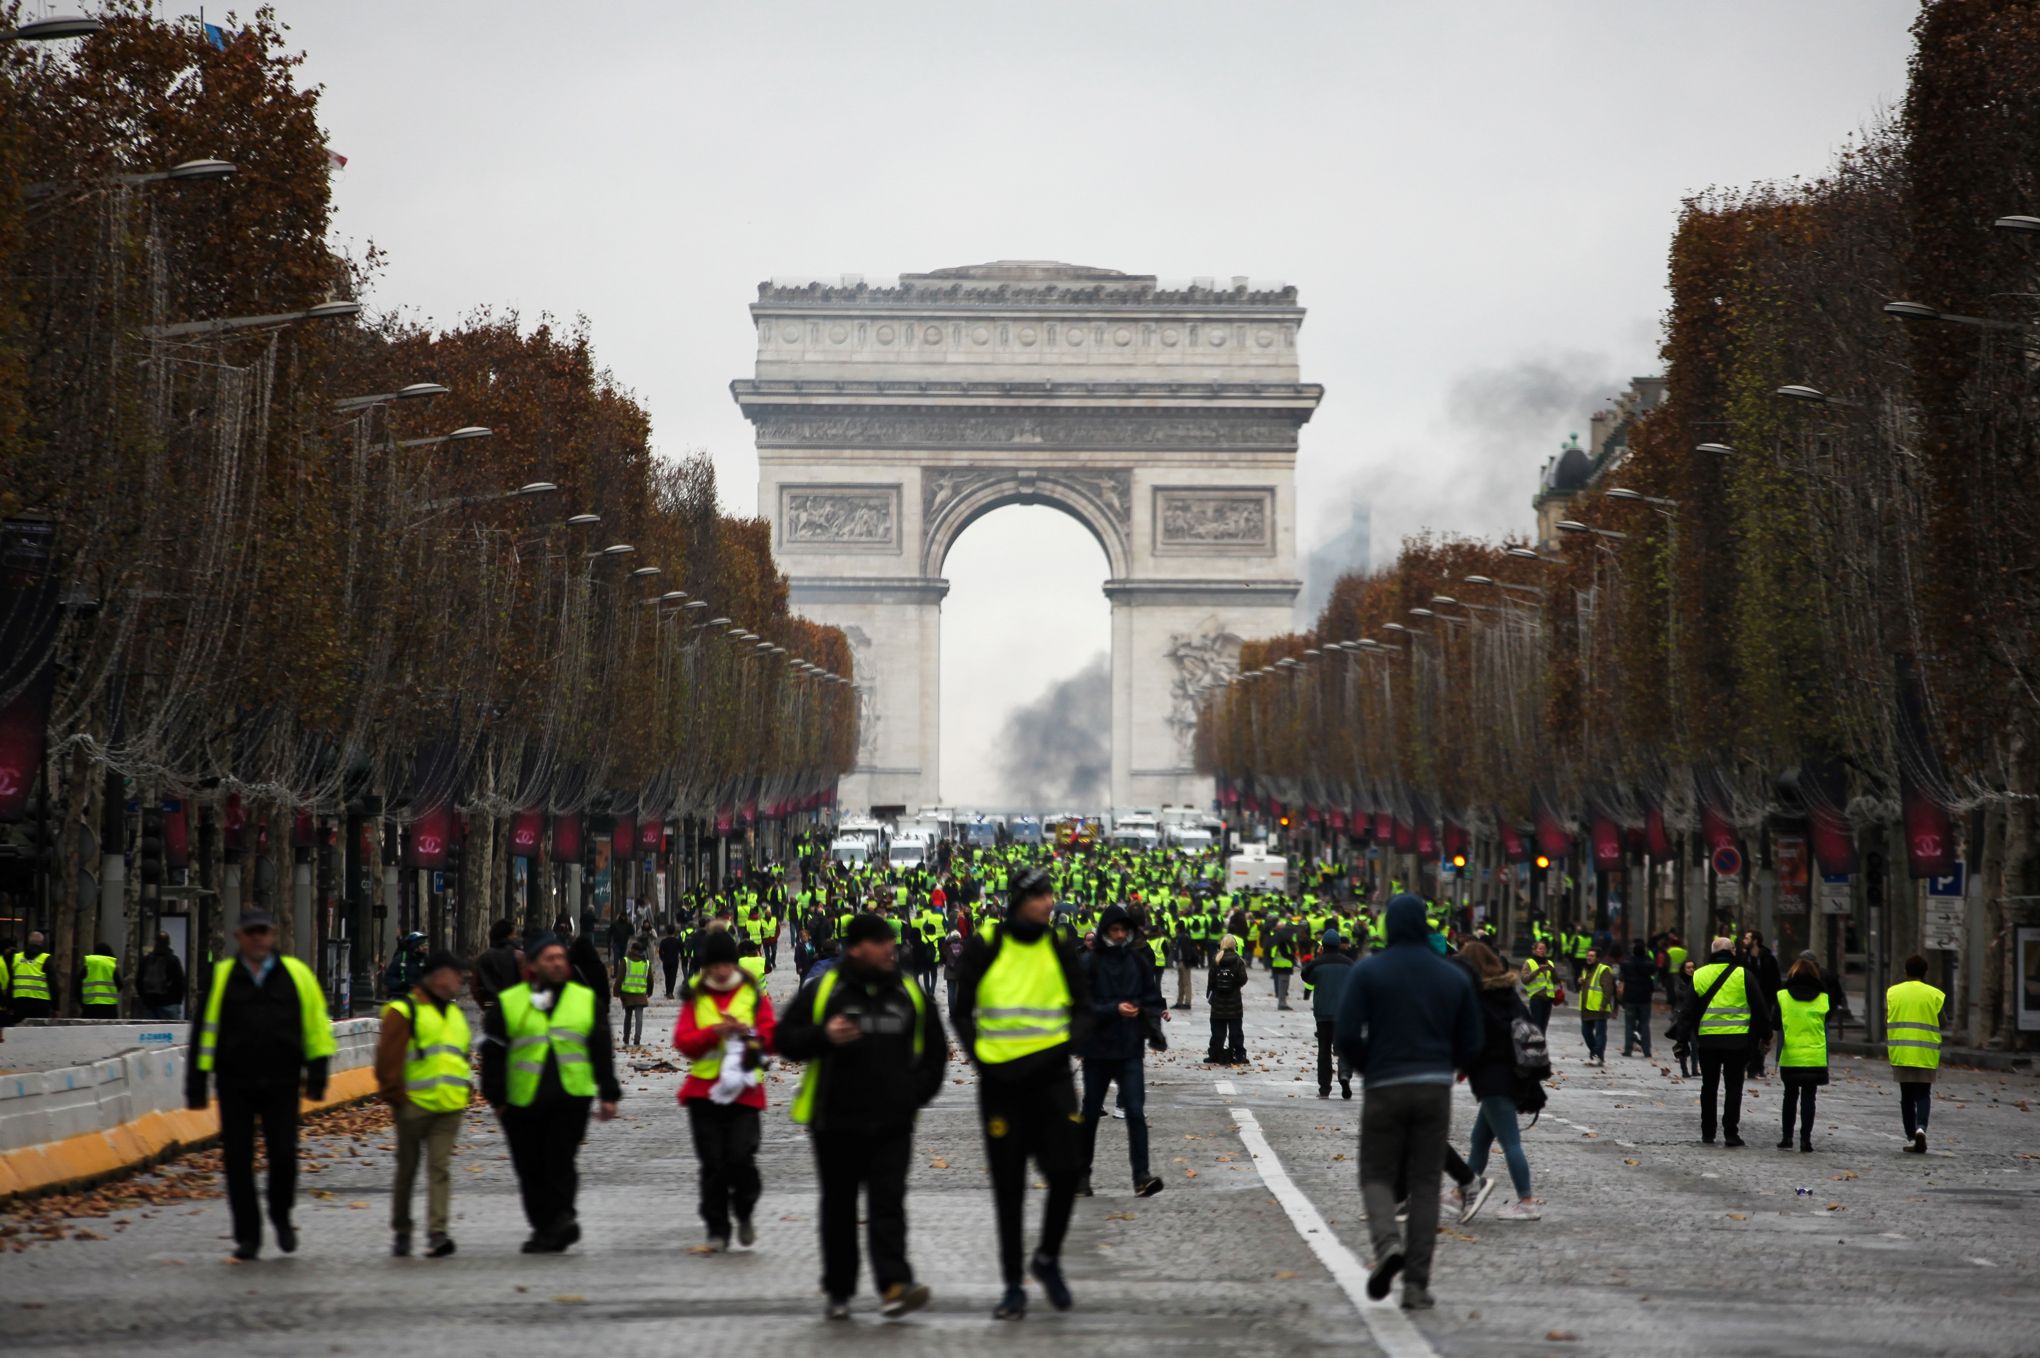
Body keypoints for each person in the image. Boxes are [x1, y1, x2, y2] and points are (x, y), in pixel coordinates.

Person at [778, 912, 946, 1320]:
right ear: (856, 948)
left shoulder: (909, 992)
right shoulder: (824, 990)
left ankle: (894, 1284)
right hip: (834, 1120)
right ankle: (839, 1289)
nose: (891, 947)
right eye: (881, 941)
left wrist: (911, 1096)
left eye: (891, 940)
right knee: (839, 1208)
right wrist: (824, 1037)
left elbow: (936, 1055)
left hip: (892, 1122)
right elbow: (785, 1039)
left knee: (888, 1205)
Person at [953, 866, 1091, 1321]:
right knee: (1008, 1189)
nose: (1049, 902)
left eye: (1050, 893)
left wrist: (1069, 1045)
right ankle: (1012, 1285)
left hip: (1052, 1081)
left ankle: (1047, 1257)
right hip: (1001, 1086)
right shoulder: (985, 946)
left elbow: (1083, 1007)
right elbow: (961, 1011)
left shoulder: (1059, 946)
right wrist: (982, 1059)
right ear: (1018, 900)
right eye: (1039, 895)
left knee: (1068, 1171)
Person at [1335, 893, 1483, 1313]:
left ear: (1387, 928)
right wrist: (1447, 1065)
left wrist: (1369, 1067)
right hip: (1434, 1087)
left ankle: (1387, 1247)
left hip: (1384, 1084)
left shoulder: (1368, 971)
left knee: (1376, 1174)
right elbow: (1472, 1040)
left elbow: (1346, 1034)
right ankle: (1417, 1285)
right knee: (1424, 1186)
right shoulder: (1451, 975)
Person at [184, 911, 334, 1260]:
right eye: (250, 933)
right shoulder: (222, 976)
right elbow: (204, 1033)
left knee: (283, 1155)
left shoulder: (297, 975)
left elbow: (316, 1027)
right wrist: (196, 1085)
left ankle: (280, 1216)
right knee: (237, 1160)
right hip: (234, 1082)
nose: (257, 939)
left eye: (263, 932)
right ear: (238, 936)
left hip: (282, 1081)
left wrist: (317, 1075)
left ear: (273, 935)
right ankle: (247, 1235)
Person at [481, 933, 621, 1253]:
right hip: (521, 1099)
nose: (558, 963)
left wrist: (608, 1093)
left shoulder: (584, 1000)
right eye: (549, 958)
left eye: (561, 958)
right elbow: (494, 1054)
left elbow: (601, 1049)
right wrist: (497, 1097)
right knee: (529, 1167)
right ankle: (545, 1225)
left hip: (570, 1096)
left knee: (560, 1160)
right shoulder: (509, 1002)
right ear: (531, 965)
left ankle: (561, 1217)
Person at [675, 929, 777, 1251]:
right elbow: (684, 1041)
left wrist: (747, 1033)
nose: (720, 971)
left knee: (741, 1159)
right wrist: (713, 1032)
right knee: (713, 1164)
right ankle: (717, 1228)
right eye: (713, 966)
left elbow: (771, 1037)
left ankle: (744, 1211)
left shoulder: (752, 995)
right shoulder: (695, 996)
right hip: (703, 1092)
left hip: (745, 1092)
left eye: (726, 965)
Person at [377, 949, 470, 1258]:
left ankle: (437, 1232)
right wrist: (397, 1099)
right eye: (454, 974)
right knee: (407, 1170)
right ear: (436, 977)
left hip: (449, 1107)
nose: (459, 980)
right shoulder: (404, 1011)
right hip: (413, 1106)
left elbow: (461, 1057)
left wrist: (466, 1089)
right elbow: (387, 1061)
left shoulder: (455, 1015)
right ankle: (402, 1229)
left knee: (439, 1168)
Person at [1075, 904, 1166, 1199]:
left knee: (1136, 1113)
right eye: (1113, 930)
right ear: (1104, 932)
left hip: (1129, 1049)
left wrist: (1154, 1029)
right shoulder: (1089, 962)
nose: (1118, 935)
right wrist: (1113, 1009)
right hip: (1098, 1051)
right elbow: (1080, 1005)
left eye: (1122, 930)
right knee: (1090, 1114)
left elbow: (1151, 998)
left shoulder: (1137, 963)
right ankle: (1081, 1175)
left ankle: (1141, 1176)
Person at [1457, 941, 1540, 1220]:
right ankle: (1461, 1192)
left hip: (1494, 1078)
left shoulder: (1479, 998)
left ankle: (1526, 1202)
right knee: (1479, 1139)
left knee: (1510, 1141)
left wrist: (1461, 1062)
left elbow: (1474, 1039)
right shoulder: (1509, 994)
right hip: (1515, 1074)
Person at [1678, 935, 1770, 1147]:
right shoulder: (1743, 975)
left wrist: (1682, 1041)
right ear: (1733, 952)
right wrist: (1765, 1035)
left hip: (1708, 1042)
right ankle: (1731, 1132)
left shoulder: (1699, 975)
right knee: (1733, 1087)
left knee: (1709, 1087)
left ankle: (1708, 1132)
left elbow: (1687, 1011)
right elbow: (1760, 1008)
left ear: (1712, 953)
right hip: (1737, 1042)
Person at [1886, 954, 1945, 1152]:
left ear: (1906, 971)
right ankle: (1922, 1128)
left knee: (1907, 1096)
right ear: (1925, 972)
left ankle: (1911, 1135)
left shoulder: (1894, 992)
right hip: (1925, 1052)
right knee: (1923, 1094)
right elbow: (1942, 1022)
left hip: (1902, 1050)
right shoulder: (1935, 994)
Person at [1774, 954, 1829, 1152]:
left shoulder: (1783, 997)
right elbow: (1827, 1019)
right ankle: (1806, 1139)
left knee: (1789, 1096)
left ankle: (1787, 1136)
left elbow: (1775, 1023)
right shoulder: (1823, 999)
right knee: (1809, 1098)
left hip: (1791, 1055)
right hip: (1815, 1055)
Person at [1302, 930, 1356, 1099]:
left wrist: (1317, 956)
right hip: (1344, 1013)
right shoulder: (1349, 963)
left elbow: (1306, 976)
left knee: (1324, 1050)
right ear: (1339, 945)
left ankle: (1324, 1087)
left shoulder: (1318, 964)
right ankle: (1344, 1074)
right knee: (1342, 1049)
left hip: (1323, 1013)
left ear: (1323, 946)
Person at [1741, 930, 1782, 1078]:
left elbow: (1775, 981)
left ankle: (1759, 1065)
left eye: (1747, 938)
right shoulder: (1743, 958)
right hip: (1747, 1003)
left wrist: (1774, 1001)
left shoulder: (1768, 958)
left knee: (1763, 1034)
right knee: (1749, 1035)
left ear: (1756, 941)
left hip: (1765, 1002)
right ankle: (1750, 1065)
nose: (1744, 940)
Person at [1205, 934, 1248, 1064]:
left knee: (1217, 1031)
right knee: (1236, 1031)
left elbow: (1211, 980)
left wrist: (1211, 993)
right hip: (1234, 1002)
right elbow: (1243, 979)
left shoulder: (1216, 960)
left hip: (1218, 1002)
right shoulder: (1238, 960)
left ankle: (1214, 1054)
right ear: (1234, 946)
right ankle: (1237, 1054)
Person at [472, 919, 522, 1012]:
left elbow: (475, 988)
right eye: (514, 934)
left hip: (492, 1008)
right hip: (515, 1008)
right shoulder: (519, 956)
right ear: (508, 935)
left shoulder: (482, 958)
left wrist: (485, 1006)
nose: (516, 937)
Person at [1578, 947, 1616, 1066]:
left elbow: (1608, 989)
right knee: (1586, 1032)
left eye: (1592, 956)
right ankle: (1595, 1053)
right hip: (1586, 1007)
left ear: (1597, 958)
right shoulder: (1585, 970)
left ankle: (1598, 1056)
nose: (1589, 958)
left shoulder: (1603, 969)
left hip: (1599, 1008)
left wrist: (1604, 1004)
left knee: (1600, 1034)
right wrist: (1580, 982)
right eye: (1588, 955)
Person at [1618, 940, 1655, 1059]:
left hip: (1630, 996)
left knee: (1629, 1024)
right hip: (1645, 997)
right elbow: (1654, 969)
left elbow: (1623, 969)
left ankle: (1628, 1049)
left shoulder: (1627, 963)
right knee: (1645, 1024)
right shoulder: (1648, 964)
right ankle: (1646, 1050)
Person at [138, 932, 186, 1020]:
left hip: (150, 1004)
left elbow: (138, 981)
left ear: (155, 942)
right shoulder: (173, 960)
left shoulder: (146, 960)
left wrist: (144, 998)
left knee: (151, 1031)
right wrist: (178, 1000)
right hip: (170, 1003)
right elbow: (180, 981)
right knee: (171, 1031)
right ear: (168, 943)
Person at [9, 930, 54, 1021]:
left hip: (19, 1001)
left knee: (20, 1030)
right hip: (41, 1002)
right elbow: (53, 984)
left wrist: (9, 1004)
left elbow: (10, 982)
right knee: (39, 1032)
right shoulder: (45, 958)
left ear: (29, 942)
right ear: (41, 943)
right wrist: (56, 1006)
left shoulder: (16, 958)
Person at [617, 935, 653, 1046]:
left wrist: (616, 990)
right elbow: (650, 979)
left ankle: (626, 1038)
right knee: (639, 1017)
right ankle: (637, 1038)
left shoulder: (625, 961)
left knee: (628, 1016)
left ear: (632, 950)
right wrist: (649, 991)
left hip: (627, 994)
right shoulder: (646, 963)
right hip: (641, 994)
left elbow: (620, 978)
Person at [79, 940, 122, 1018]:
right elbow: (120, 985)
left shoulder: (88, 964)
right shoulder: (111, 965)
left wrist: (82, 1003)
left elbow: (78, 986)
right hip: (109, 1008)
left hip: (90, 1007)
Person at [1522, 940, 1556, 1033]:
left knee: (1544, 1026)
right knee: (1537, 1026)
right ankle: (1537, 1044)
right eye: (1540, 949)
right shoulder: (1529, 962)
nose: (1542, 951)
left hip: (1548, 999)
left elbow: (1556, 981)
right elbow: (1524, 980)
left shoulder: (1550, 963)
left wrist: (1552, 971)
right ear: (1535, 950)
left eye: (1544, 949)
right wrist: (1537, 971)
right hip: (1536, 997)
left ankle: (1541, 1044)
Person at [384, 932, 427, 1000]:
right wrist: (402, 984)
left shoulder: (425, 960)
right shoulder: (400, 959)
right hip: (401, 996)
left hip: (420, 997)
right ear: (414, 946)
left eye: (426, 945)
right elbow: (389, 978)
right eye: (422, 945)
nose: (425, 948)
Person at [658, 925, 684, 999]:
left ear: (667, 932)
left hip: (666, 961)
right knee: (673, 977)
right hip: (674, 961)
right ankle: (670, 992)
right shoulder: (677, 941)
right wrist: (682, 958)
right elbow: (682, 951)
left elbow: (660, 952)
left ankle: (667, 991)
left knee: (667, 977)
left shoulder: (663, 941)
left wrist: (662, 958)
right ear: (674, 932)